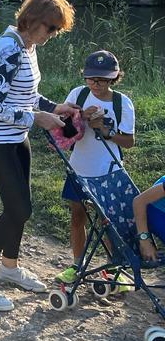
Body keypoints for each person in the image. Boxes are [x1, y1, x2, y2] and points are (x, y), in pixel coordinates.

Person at [0, 0, 78, 312]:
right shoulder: (9, 49)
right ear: (32, 20)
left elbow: (28, 93)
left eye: (57, 30)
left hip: (15, 135)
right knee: (18, 209)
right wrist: (36, 118)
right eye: (51, 27)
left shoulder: (28, 47)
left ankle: (9, 267)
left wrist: (55, 107)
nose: (53, 35)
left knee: (20, 206)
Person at [54, 51, 135, 286]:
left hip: (108, 170)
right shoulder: (78, 95)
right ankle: (76, 265)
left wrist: (106, 131)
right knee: (77, 217)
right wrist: (80, 117)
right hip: (79, 167)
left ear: (114, 78)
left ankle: (112, 268)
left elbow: (129, 142)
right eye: (91, 78)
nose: (95, 84)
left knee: (107, 221)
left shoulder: (122, 103)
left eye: (102, 79)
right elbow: (61, 130)